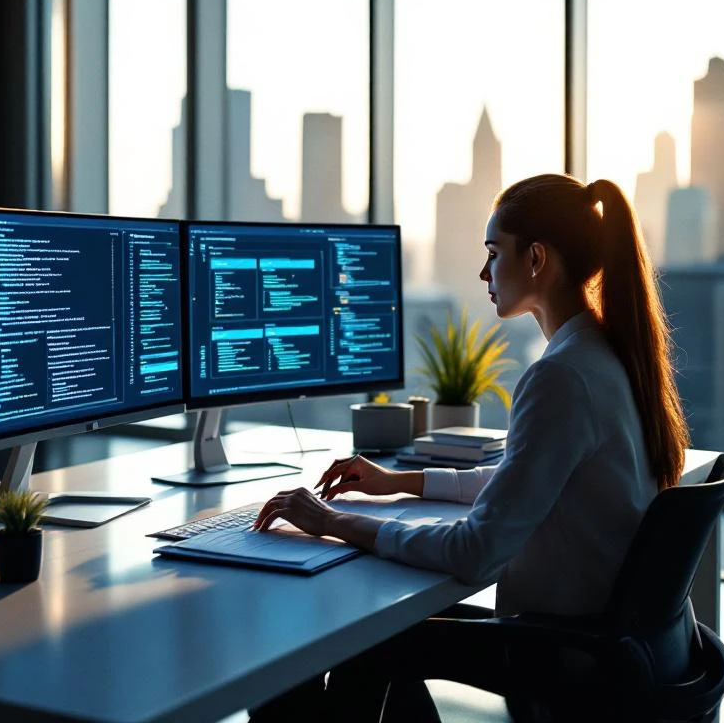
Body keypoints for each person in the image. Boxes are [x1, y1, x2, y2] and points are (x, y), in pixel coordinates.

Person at [248, 174, 690, 722]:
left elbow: (475, 550)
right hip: (614, 643)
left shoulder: (561, 377)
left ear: (535, 258)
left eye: (493, 253)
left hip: (567, 651)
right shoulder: (606, 355)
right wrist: (398, 482)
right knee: (384, 636)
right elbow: (524, 482)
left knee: (359, 643)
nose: (483, 273)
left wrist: (335, 522)